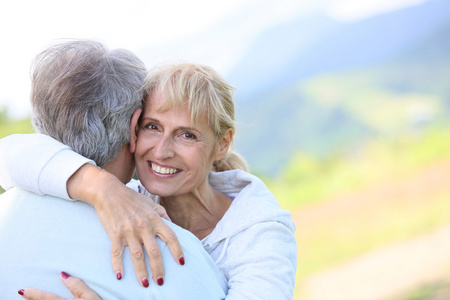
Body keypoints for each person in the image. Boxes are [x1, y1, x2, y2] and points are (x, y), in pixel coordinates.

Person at [0, 63, 297, 299]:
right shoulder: (125, 197)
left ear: (222, 144)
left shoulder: (261, 234)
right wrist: (98, 186)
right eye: (152, 127)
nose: (162, 151)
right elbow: (10, 155)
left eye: (187, 135)